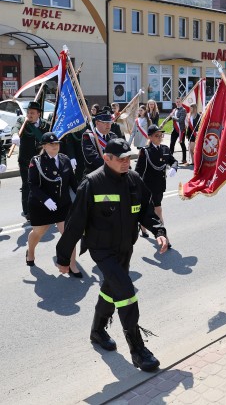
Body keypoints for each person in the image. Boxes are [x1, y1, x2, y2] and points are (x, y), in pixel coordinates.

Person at [56, 138, 169, 372]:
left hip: (125, 247)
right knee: (126, 293)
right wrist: (64, 258)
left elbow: (146, 210)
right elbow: (75, 224)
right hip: (102, 250)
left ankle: (97, 331)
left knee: (111, 289)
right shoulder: (92, 184)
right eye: (121, 159)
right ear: (106, 158)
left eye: (129, 158)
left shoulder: (134, 180)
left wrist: (159, 231)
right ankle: (138, 350)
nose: (126, 162)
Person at [26, 132, 80, 275]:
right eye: (51, 144)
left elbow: (73, 183)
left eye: (57, 143)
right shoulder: (36, 161)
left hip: (62, 204)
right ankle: (30, 252)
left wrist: (83, 196)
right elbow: (33, 184)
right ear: (44, 146)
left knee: (69, 235)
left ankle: (72, 265)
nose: (55, 146)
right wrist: (46, 200)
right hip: (41, 205)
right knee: (39, 232)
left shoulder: (65, 159)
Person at [135, 124, 177, 239]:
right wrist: (136, 186)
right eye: (156, 135)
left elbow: (173, 161)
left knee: (154, 209)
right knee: (157, 210)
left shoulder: (165, 149)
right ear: (150, 137)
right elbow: (138, 170)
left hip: (160, 185)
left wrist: (174, 167)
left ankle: (143, 226)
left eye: (161, 135)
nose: (160, 137)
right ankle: (163, 236)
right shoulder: (146, 151)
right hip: (147, 186)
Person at [11, 101, 51, 221]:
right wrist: (15, 135)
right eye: (28, 112)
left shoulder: (45, 125)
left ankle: (42, 207)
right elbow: (15, 127)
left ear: (39, 114)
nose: (30, 115)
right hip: (25, 161)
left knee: (42, 185)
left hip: (41, 161)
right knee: (27, 186)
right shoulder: (23, 122)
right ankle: (28, 211)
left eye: (32, 113)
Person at [81, 110, 118, 175]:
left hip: (112, 173)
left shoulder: (113, 136)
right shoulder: (89, 136)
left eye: (109, 122)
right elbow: (91, 156)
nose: (108, 125)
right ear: (97, 123)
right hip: (95, 174)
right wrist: (109, 166)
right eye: (105, 122)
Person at [169, 97, 187, 165]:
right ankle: (170, 159)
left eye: (179, 101)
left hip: (181, 130)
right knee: (172, 144)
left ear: (181, 102)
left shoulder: (183, 110)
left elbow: (180, 120)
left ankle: (184, 159)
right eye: (177, 102)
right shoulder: (174, 110)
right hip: (174, 129)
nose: (178, 103)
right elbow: (170, 118)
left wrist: (172, 117)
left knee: (182, 144)